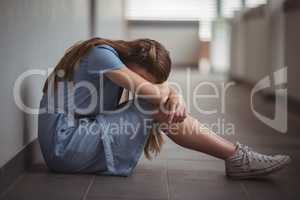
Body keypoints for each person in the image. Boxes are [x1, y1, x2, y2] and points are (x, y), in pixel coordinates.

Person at [38, 37, 291, 179]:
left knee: (154, 101)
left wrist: (170, 92)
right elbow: (151, 93)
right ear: (132, 60)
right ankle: (236, 157)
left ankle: (236, 156)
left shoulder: (108, 57)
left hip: (72, 137)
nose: (143, 83)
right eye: (144, 77)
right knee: (151, 102)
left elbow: (153, 90)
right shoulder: (101, 55)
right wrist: (173, 95)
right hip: (65, 143)